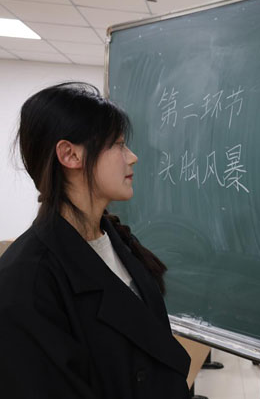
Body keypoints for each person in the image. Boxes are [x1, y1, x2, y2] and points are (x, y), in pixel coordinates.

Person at [0, 82, 191, 398]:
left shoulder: (119, 242)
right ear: (70, 154)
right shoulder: (26, 280)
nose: (132, 157)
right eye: (117, 145)